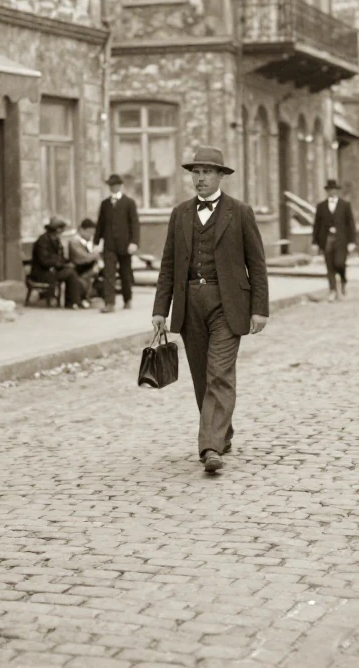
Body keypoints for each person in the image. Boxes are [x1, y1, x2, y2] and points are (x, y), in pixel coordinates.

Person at [152, 146, 268, 474]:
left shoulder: (240, 212)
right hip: (189, 303)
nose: (200, 178)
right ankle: (222, 431)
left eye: (207, 172)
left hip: (227, 304)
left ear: (220, 176)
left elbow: (257, 264)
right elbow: (168, 265)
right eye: (196, 172)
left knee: (219, 372)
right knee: (202, 376)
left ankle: (210, 447)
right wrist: (160, 309)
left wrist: (260, 308)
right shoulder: (180, 214)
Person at [95, 173, 139, 313]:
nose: (113, 188)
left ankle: (127, 299)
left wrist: (134, 242)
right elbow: (100, 224)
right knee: (109, 273)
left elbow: (135, 224)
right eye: (110, 186)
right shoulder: (105, 204)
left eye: (115, 185)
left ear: (120, 186)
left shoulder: (129, 203)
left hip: (125, 245)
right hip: (109, 245)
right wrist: (96, 242)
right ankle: (109, 303)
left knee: (125, 273)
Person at [312, 179, 357, 301]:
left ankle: (343, 281)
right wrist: (315, 242)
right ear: (327, 191)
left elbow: (350, 224)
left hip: (341, 240)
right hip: (326, 239)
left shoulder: (345, 205)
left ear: (337, 191)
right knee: (329, 265)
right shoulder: (321, 206)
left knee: (340, 263)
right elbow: (317, 225)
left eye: (334, 190)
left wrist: (352, 241)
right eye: (329, 190)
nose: (331, 192)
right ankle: (332, 290)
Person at [31, 217, 86, 309]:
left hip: (52, 271)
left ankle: (74, 300)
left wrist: (67, 263)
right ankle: (75, 301)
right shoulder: (42, 241)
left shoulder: (56, 241)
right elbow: (44, 261)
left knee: (72, 271)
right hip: (42, 273)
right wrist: (61, 264)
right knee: (70, 273)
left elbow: (60, 258)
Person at [67, 218, 101, 300]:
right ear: (82, 230)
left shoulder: (84, 242)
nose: (90, 235)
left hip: (83, 267)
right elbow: (82, 257)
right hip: (78, 269)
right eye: (89, 232)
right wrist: (96, 255)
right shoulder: (75, 241)